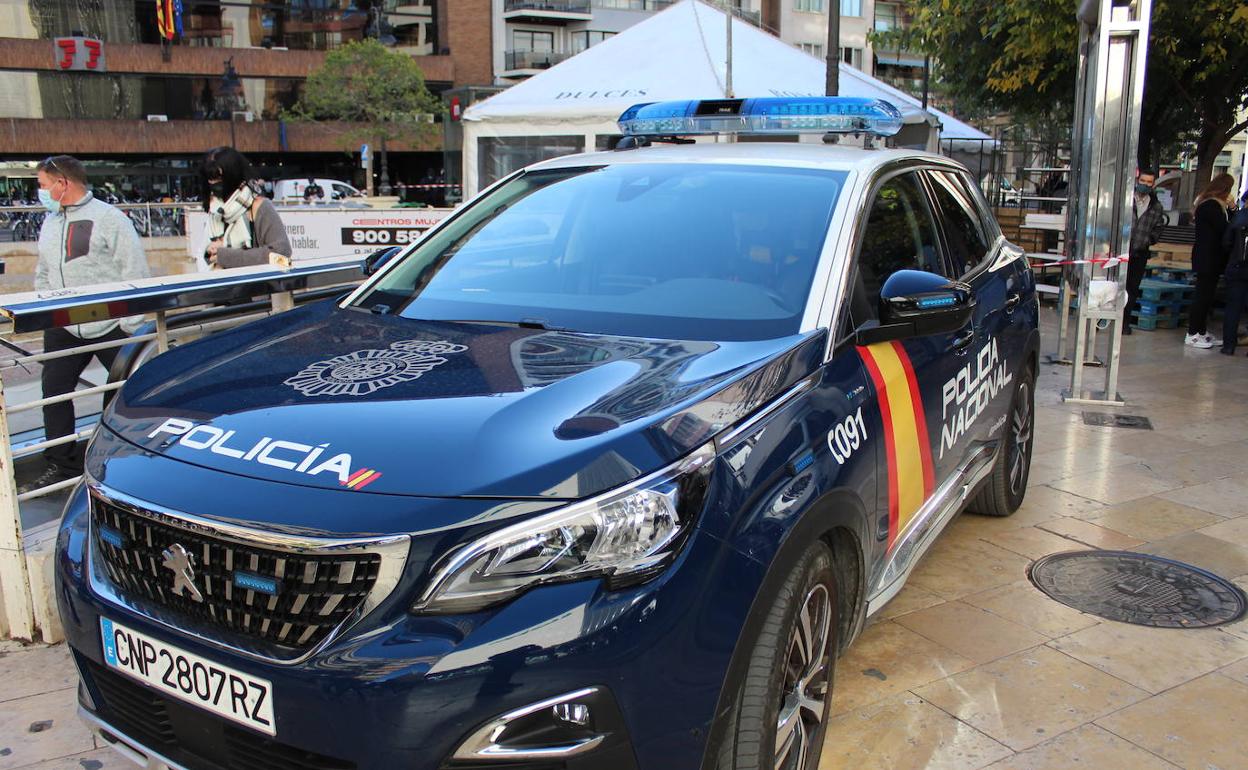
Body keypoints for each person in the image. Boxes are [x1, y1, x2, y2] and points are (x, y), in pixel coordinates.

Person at [24, 155, 150, 492]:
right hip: (64, 324)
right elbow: (44, 271)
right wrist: (44, 308)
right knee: (53, 393)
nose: (41, 192)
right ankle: (62, 464)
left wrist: (131, 325)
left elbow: (134, 268)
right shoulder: (51, 222)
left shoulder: (110, 219)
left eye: (43, 185)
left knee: (130, 389)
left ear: (62, 184)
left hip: (110, 324)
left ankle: (132, 456)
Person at [201, 147, 292, 268]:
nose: (213, 183)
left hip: (256, 285)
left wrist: (226, 256)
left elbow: (282, 255)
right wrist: (210, 252)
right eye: (210, 178)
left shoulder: (259, 207)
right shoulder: (215, 211)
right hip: (222, 284)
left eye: (219, 177)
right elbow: (206, 255)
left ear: (233, 175)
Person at [1186, 173, 1235, 348]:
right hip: (1207, 257)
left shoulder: (1212, 205)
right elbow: (1225, 228)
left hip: (1211, 258)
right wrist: (1233, 209)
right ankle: (1192, 333)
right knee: (1202, 296)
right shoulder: (1211, 206)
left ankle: (1201, 331)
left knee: (1207, 297)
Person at [1122, 168, 1166, 335]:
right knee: (1114, 287)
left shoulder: (1156, 206)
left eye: (1149, 183)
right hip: (1120, 252)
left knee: (1132, 289)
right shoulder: (1126, 200)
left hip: (1139, 253)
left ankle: (1125, 323)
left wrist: (1149, 240)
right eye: (1143, 181)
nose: (1145, 185)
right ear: (1137, 180)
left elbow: (1158, 228)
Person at [1220, 189, 1248, 355]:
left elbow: (1226, 243)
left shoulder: (1238, 218)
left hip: (1236, 267)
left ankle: (1228, 346)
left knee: (1232, 308)